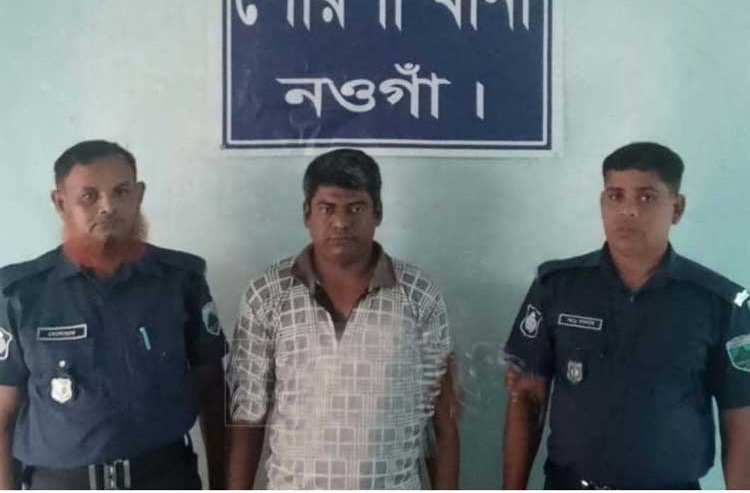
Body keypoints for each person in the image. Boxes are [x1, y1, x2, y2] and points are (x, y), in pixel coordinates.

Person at [503, 142, 750, 489]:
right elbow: (527, 398)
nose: (628, 210)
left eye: (646, 197)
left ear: (677, 208)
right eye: (615, 196)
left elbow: (740, 418)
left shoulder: (718, 303)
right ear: (602, 203)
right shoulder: (557, 288)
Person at [226, 148, 459, 489]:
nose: (341, 222)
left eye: (355, 208)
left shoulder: (419, 294)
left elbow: (443, 423)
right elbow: (247, 419)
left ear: (378, 213)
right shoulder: (266, 294)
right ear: (307, 214)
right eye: (327, 208)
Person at [0, 140, 226, 489]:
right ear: (61, 203)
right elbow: (3, 414)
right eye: (89, 196)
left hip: (164, 479)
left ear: (139, 195)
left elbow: (214, 393)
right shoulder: (21, 295)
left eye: (121, 192)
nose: (108, 207)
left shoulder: (181, 282)